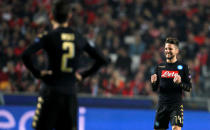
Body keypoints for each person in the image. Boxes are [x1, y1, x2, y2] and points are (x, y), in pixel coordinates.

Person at [22, 0, 109, 130]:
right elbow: (102, 59)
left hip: (50, 91)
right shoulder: (78, 37)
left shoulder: (49, 36)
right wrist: (83, 75)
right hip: (70, 93)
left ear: (51, 16)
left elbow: (26, 55)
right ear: (69, 16)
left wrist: (38, 73)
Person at [151, 37, 192, 130]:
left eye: (170, 49)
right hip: (162, 106)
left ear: (177, 51)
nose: (167, 51)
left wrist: (180, 83)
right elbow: (155, 89)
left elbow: (189, 88)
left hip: (176, 106)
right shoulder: (159, 67)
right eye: (166, 48)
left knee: (176, 128)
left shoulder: (184, 67)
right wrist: (153, 83)